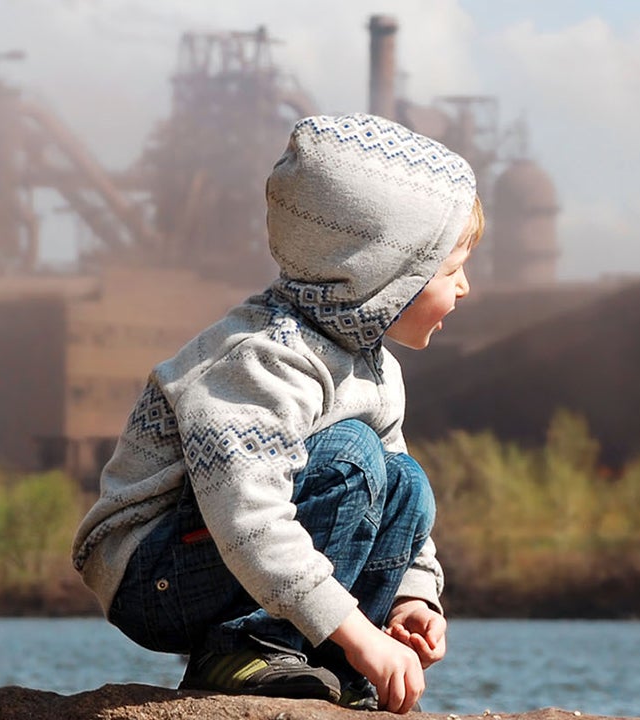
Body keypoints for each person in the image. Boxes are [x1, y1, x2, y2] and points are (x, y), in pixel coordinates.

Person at [72, 113, 480, 714]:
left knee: (405, 478)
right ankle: (244, 647)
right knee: (352, 459)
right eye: (450, 270)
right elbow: (247, 517)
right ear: (385, 277)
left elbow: (399, 510)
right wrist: (360, 632)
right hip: (152, 572)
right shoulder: (263, 359)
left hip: (225, 557)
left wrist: (411, 599)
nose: (466, 288)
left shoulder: (375, 368)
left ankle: (331, 667)